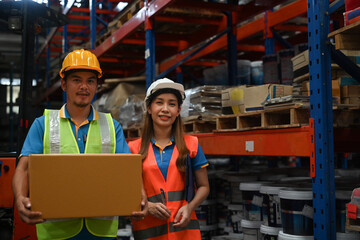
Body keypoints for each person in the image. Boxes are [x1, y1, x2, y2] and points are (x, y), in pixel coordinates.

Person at [12, 49, 148, 240]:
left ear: (96, 86)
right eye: (76, 80)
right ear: (64, 84)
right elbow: (24, 168)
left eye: (90, 81)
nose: (84, 86)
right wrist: (19, 199)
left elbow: (128, 170)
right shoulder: (43, 124)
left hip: (100, 230)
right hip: (56, 232)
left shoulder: (112, 126)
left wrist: (139, 196)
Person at [128, 78, 210, 239]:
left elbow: (204, 187)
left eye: (172, 104)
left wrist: (189, 207)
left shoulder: (191, 145)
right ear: (149, 108)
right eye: (159, 102)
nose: (165, 109)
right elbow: (125, 192)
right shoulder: (133, 149)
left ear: (178, 111)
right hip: (149, 233)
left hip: (185, 233)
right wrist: (148, 206)